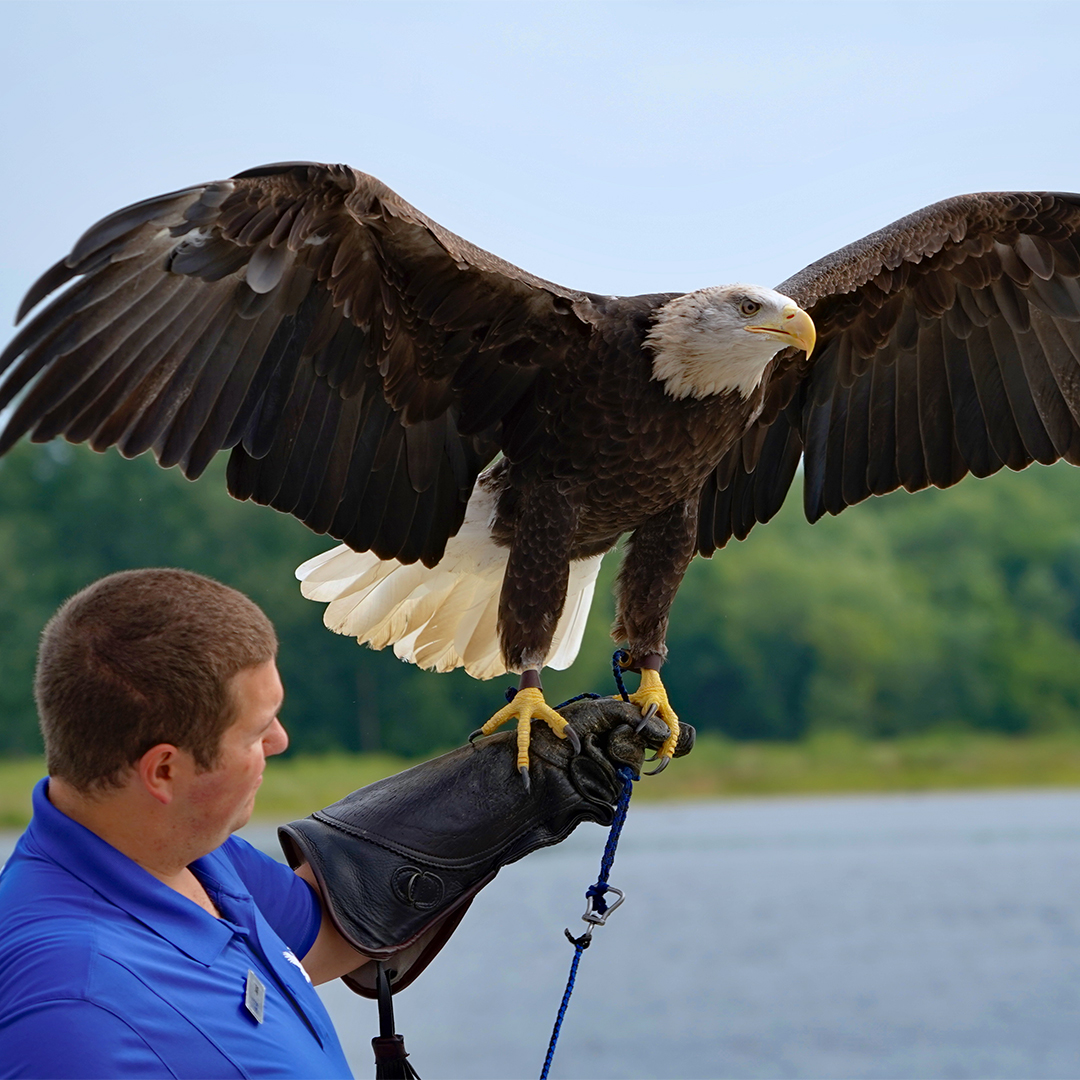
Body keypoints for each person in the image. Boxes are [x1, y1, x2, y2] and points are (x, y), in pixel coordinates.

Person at [0, 568, 690, 1079]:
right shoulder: (72, 1014)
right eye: (257, 731)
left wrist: (532, 778)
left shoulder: (187, 859)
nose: (280, 744)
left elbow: (334, 928)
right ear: (163, 771)